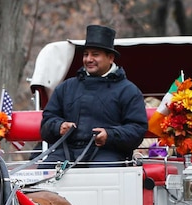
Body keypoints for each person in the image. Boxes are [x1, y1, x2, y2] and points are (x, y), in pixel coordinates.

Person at [40, 25, 148, 164]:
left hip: (109, 153)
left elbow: (137, 130)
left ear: (110, 58)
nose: (88, 59)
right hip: (66, 153)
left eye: (95, 54)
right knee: (44, 174)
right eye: (86, 54)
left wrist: (109, 135)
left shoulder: (129, 91)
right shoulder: (65, 87)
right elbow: (46, 123)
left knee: (99, 177)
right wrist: (59, 127)